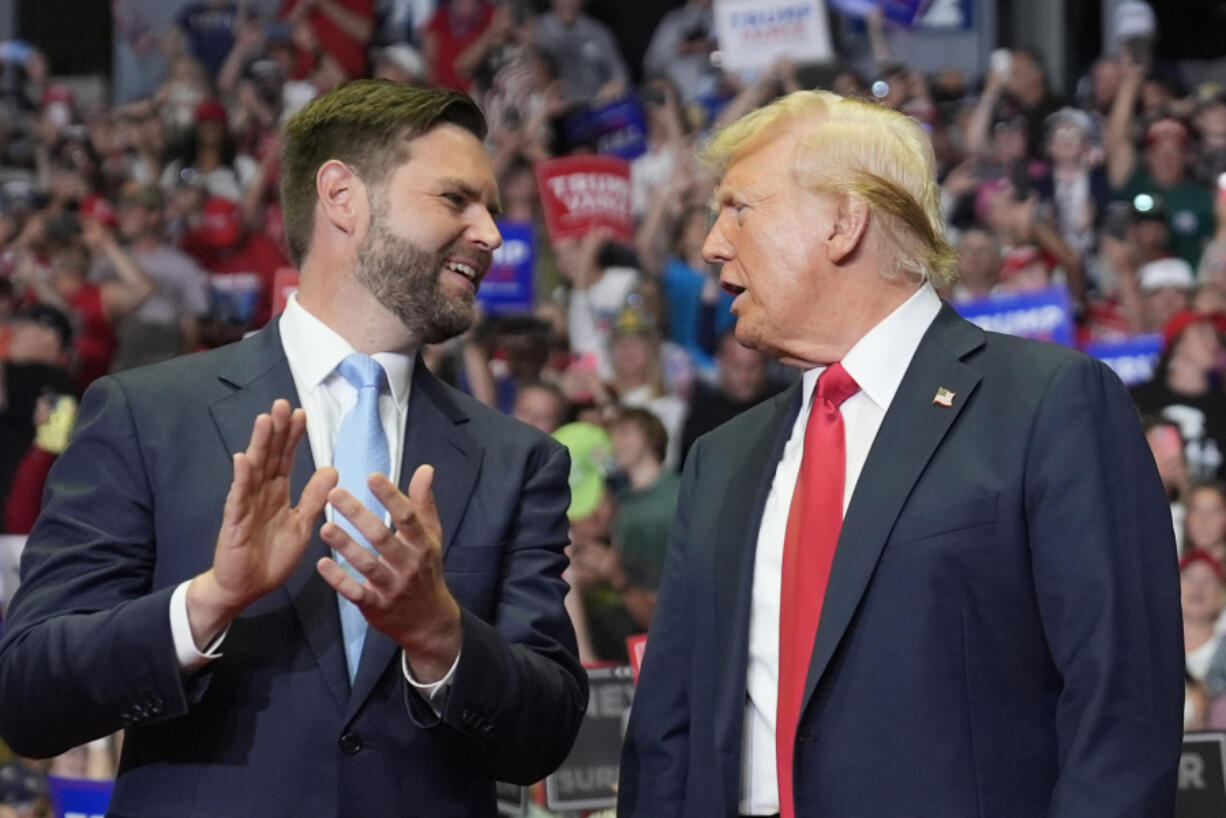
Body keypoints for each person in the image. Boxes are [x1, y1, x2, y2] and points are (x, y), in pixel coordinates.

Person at [0, 80, 586, 817]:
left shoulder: (520, 459)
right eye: (456, 199)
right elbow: (26, 698)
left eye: (493, 210)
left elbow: (549, 729)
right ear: (342, 195)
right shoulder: (146, 415)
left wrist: (440, 633)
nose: (492, 234)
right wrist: (210, 601)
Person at [619, 90, 1183, 818]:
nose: (712, 243)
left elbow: (1120, 710)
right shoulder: (719, 459)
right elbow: (670, 731)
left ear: (844, 222)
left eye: (739, 209)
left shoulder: (1050, 405)